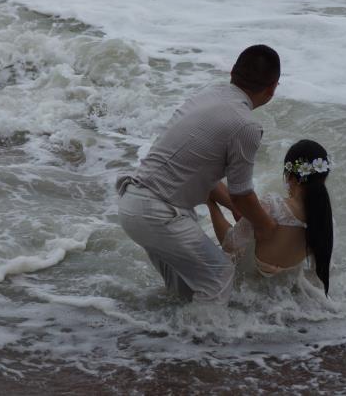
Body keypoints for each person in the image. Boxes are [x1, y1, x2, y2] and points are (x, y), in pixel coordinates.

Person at [116, 45, 281, 304]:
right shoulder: (247, 125)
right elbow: (242, 195)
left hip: (132, 204)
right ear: (272, 88)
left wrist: (237, 208)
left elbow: (198, 171)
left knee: (184, 293)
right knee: (220, 275)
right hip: (159, 213)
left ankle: (168, 339)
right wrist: (268, 227)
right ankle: (207, 343)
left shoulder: (207, 96)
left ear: (232, 74)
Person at [206, 139, 334, 295]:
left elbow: (229, 244)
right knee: (239, 204)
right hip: (280, 296)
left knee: (208, 181)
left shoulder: (273, 205)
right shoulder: (323, 221)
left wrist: (211, 205)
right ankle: (241, 209)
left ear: (290, 176)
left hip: (244, 293)